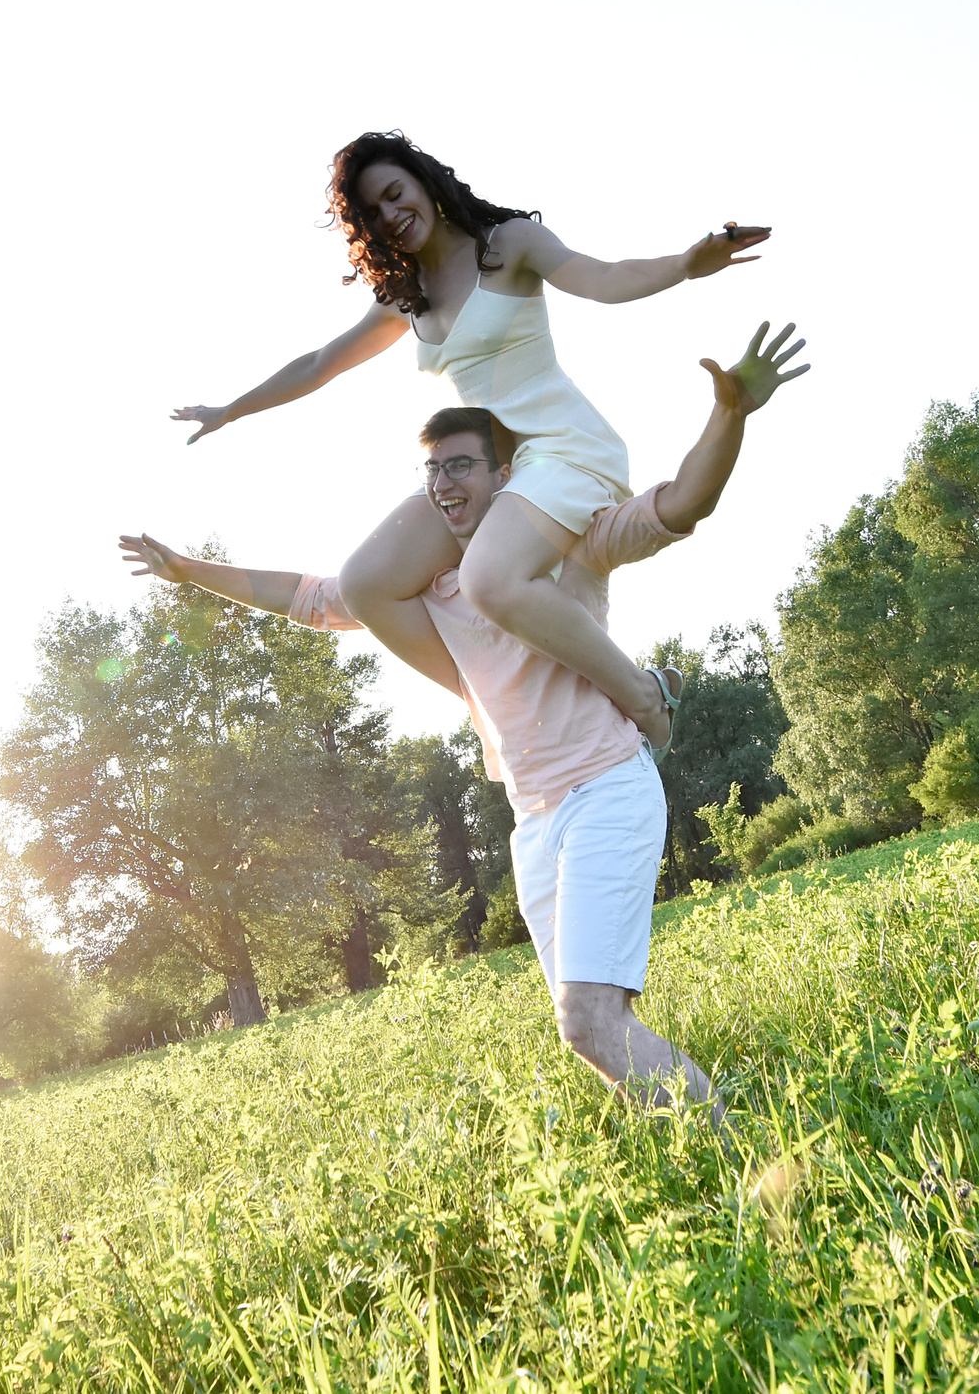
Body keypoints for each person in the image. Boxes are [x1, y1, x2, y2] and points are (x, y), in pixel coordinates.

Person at [125, 320, 808, 1114]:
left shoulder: (564, 550)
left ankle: (743, 1162)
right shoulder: (418, 589)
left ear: (506, 475)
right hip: (532, 819)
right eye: (432, 474)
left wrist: (731, 413)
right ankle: (697, 1157)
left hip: (606, 789)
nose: (444, 486)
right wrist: (186, 572)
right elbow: (305, 598)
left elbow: (683, 502)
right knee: (590, 1028)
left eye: (461, 468)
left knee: (589, 1023)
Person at [169, 131, 766, 752]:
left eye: (395, 194)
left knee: (488, 580)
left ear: (424, 181)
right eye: (374, 213)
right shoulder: (406, 297)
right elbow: (320, 361)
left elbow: (604, 278)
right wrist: (231, 409)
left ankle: (644, 696)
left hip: (562, 449)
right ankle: (492, 697)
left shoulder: (507, 245)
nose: (392, 216)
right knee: (368, 582)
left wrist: (686, 266)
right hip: (493, 464)